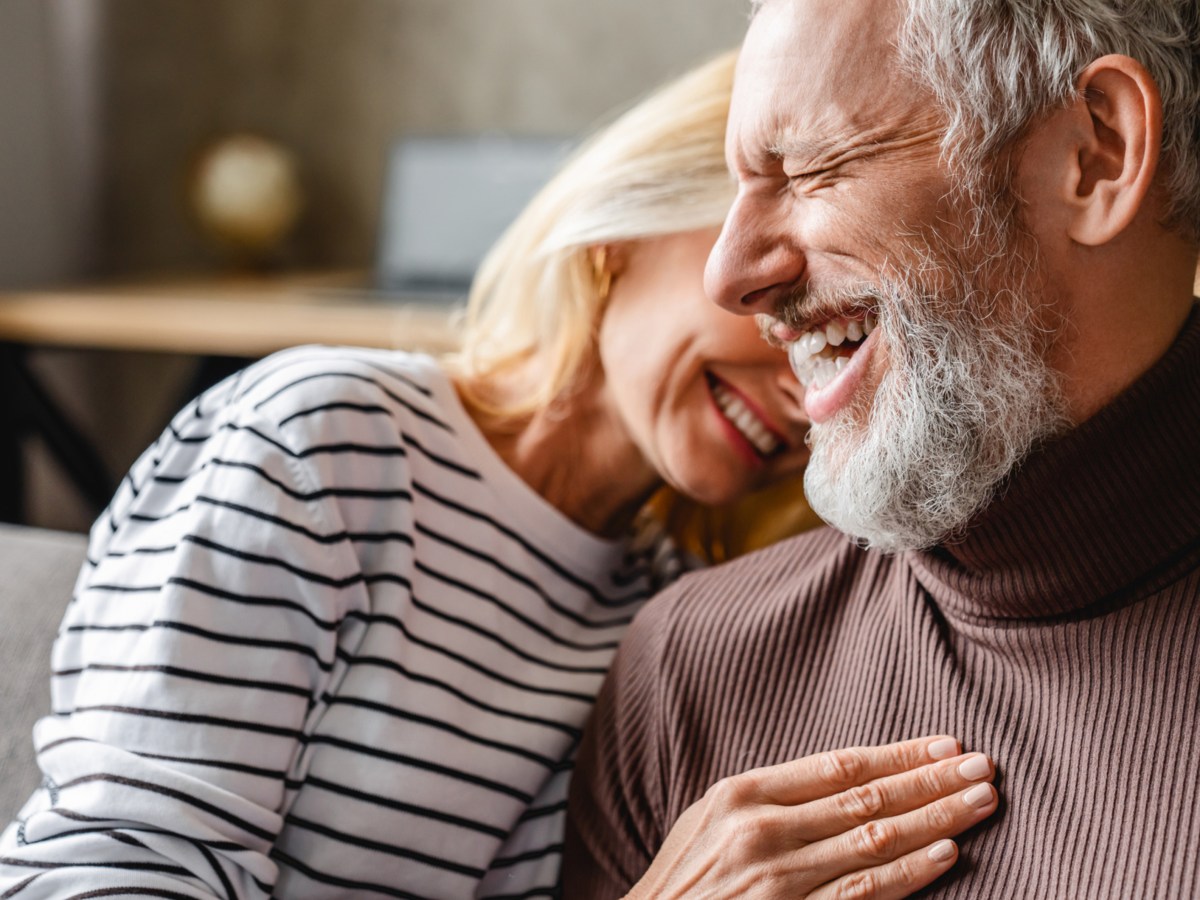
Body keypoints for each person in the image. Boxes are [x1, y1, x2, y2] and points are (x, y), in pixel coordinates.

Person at [0, 52, 1001, 899]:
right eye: (783, 299)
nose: (802, 392)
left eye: (844, 342)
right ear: (631, 229)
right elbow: (115, 869)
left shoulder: (664, 616)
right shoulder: (326, 443)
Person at [565, 0, 1200, 897]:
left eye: (810, 169)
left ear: (1095, 154)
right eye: (739, 183)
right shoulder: (690, 670)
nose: (731, 271)